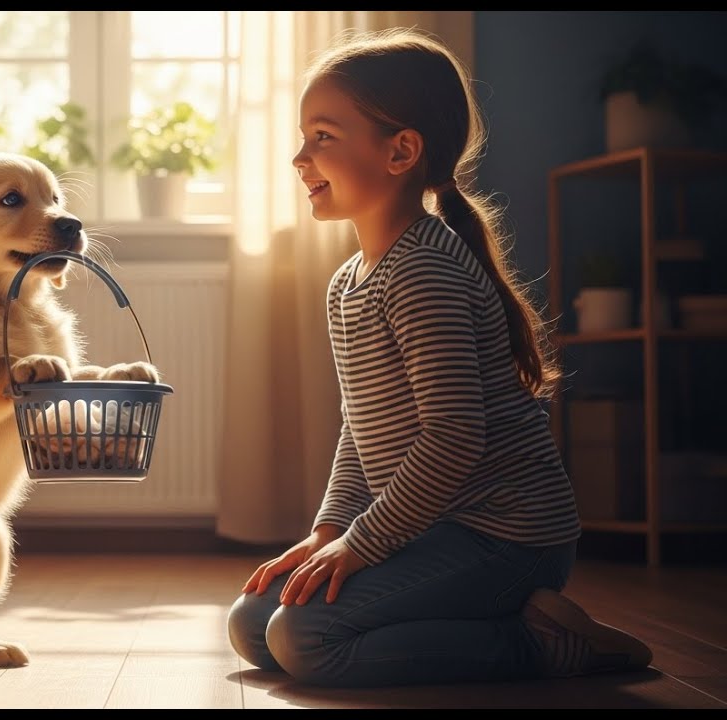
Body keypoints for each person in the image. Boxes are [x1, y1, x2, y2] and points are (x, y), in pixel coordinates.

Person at [225, 27, 653, 688]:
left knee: (304, 640)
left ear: (401, 152)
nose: (299, 158)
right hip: (433, 528)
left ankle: (539, 643)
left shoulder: (424, 271)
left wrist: (361, 545)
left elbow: (454, 438)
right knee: (253, 624)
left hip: (508, 540)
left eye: (323, 137)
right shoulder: (348, 283)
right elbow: (358, 427)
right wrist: (328, 530)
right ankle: (495, 623)